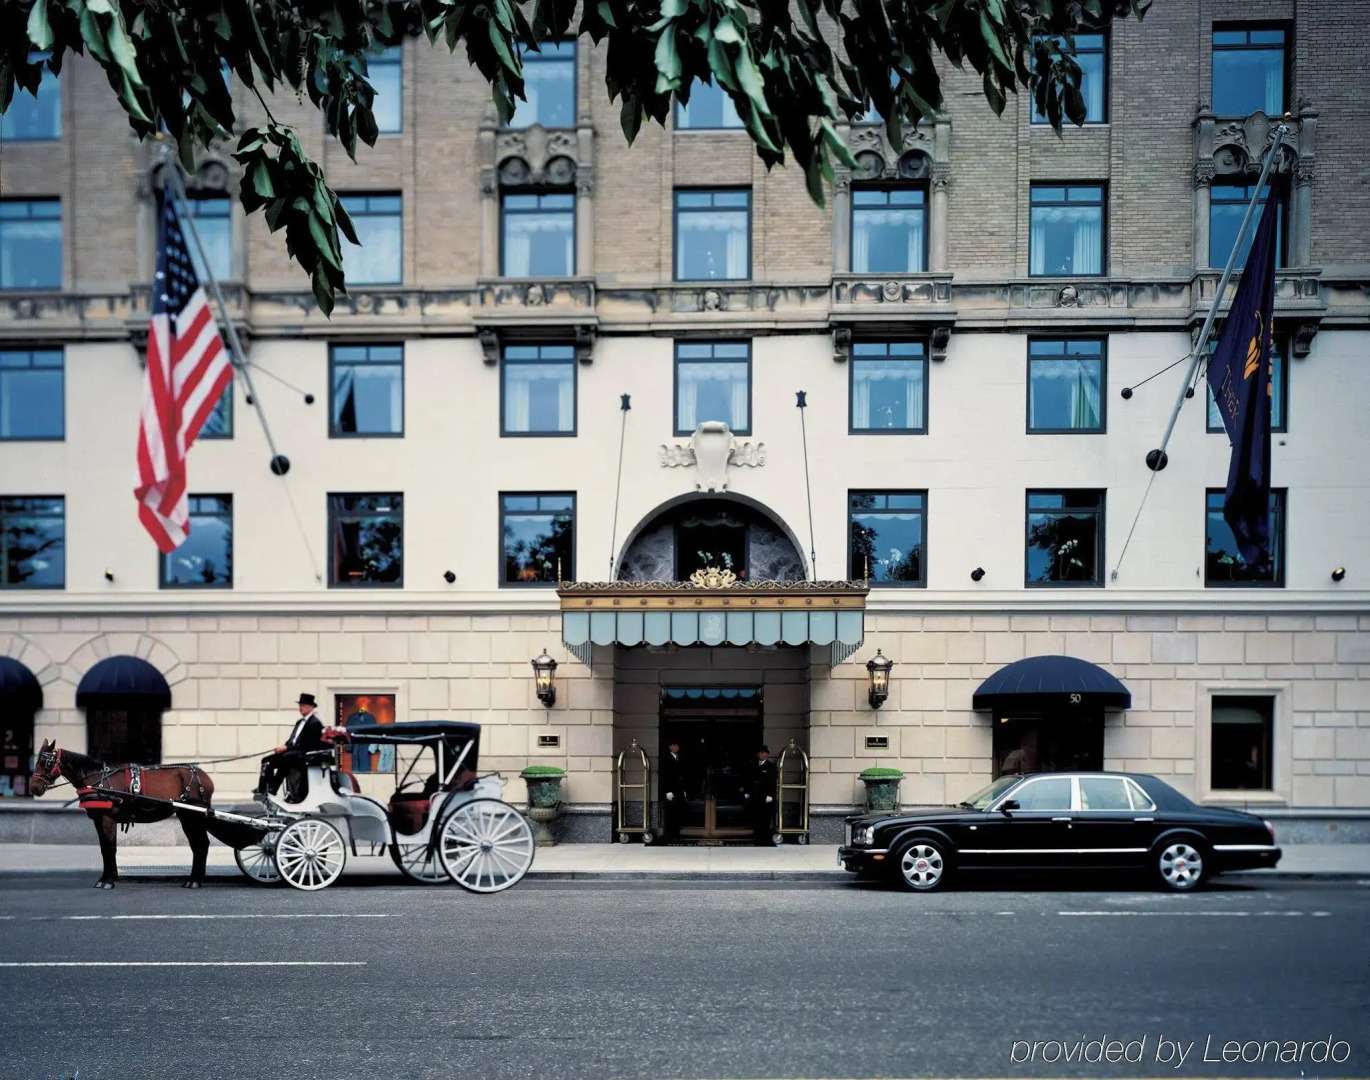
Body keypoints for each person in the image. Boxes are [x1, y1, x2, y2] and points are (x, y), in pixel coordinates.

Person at [257, 693, 327, 801]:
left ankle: (272, 789)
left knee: (284, 760)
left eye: (303, 705)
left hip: (303, 755)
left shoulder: (315, 723)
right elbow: (292, 740)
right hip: (292, 753)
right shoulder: (299, 722)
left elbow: (308, 744)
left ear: (311, 707)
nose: (300, 708)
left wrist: (286, 749)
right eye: (300, 705)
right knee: (267, 760)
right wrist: (284, 747)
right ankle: (263, 789)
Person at [743, 744, 779, 846]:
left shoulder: (771, 766)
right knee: (756, 817)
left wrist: (770, 795)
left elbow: (773, 782)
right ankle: (757, 837)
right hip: (755, 796)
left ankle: (765, 839)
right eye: (759, 753)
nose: (761, 755)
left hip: (765, 796)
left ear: (767, 754)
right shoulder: (753, 765)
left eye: (763, 753)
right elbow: (748, 779)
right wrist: (747, 791)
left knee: (765, 818)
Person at [659, 740, 687, 843]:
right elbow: (665, 776)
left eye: (677, 745)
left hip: (679, 790)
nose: (677, 747)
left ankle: (676, 834)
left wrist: (684, 790)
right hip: (670, 790)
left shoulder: (679, 758)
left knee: (678, 813)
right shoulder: (666, 759)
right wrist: (668, 791)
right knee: (670, 813)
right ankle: (669, 835)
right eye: (674, 745)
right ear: (670, 747)